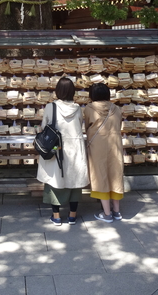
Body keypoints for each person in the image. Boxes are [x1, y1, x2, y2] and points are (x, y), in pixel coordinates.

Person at [37, 77, 89, 226]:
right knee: (74, 181)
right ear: (72, 91)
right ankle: (72, 215)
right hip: (74, 149)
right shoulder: (78, 108)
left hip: (56, 148)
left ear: (58, 91)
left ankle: (56, 216)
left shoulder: (50, 107)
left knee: (54, 181)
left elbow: (44, 127)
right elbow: (79, 125)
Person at [84, 83, 124, 222]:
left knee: (100, 175)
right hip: (115, 145)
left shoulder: (89, 109)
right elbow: (119, 124)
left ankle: (107, 214)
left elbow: (86, 125)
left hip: (97, 145)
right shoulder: (117, 109)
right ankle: (117, 212)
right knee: (115, 174)